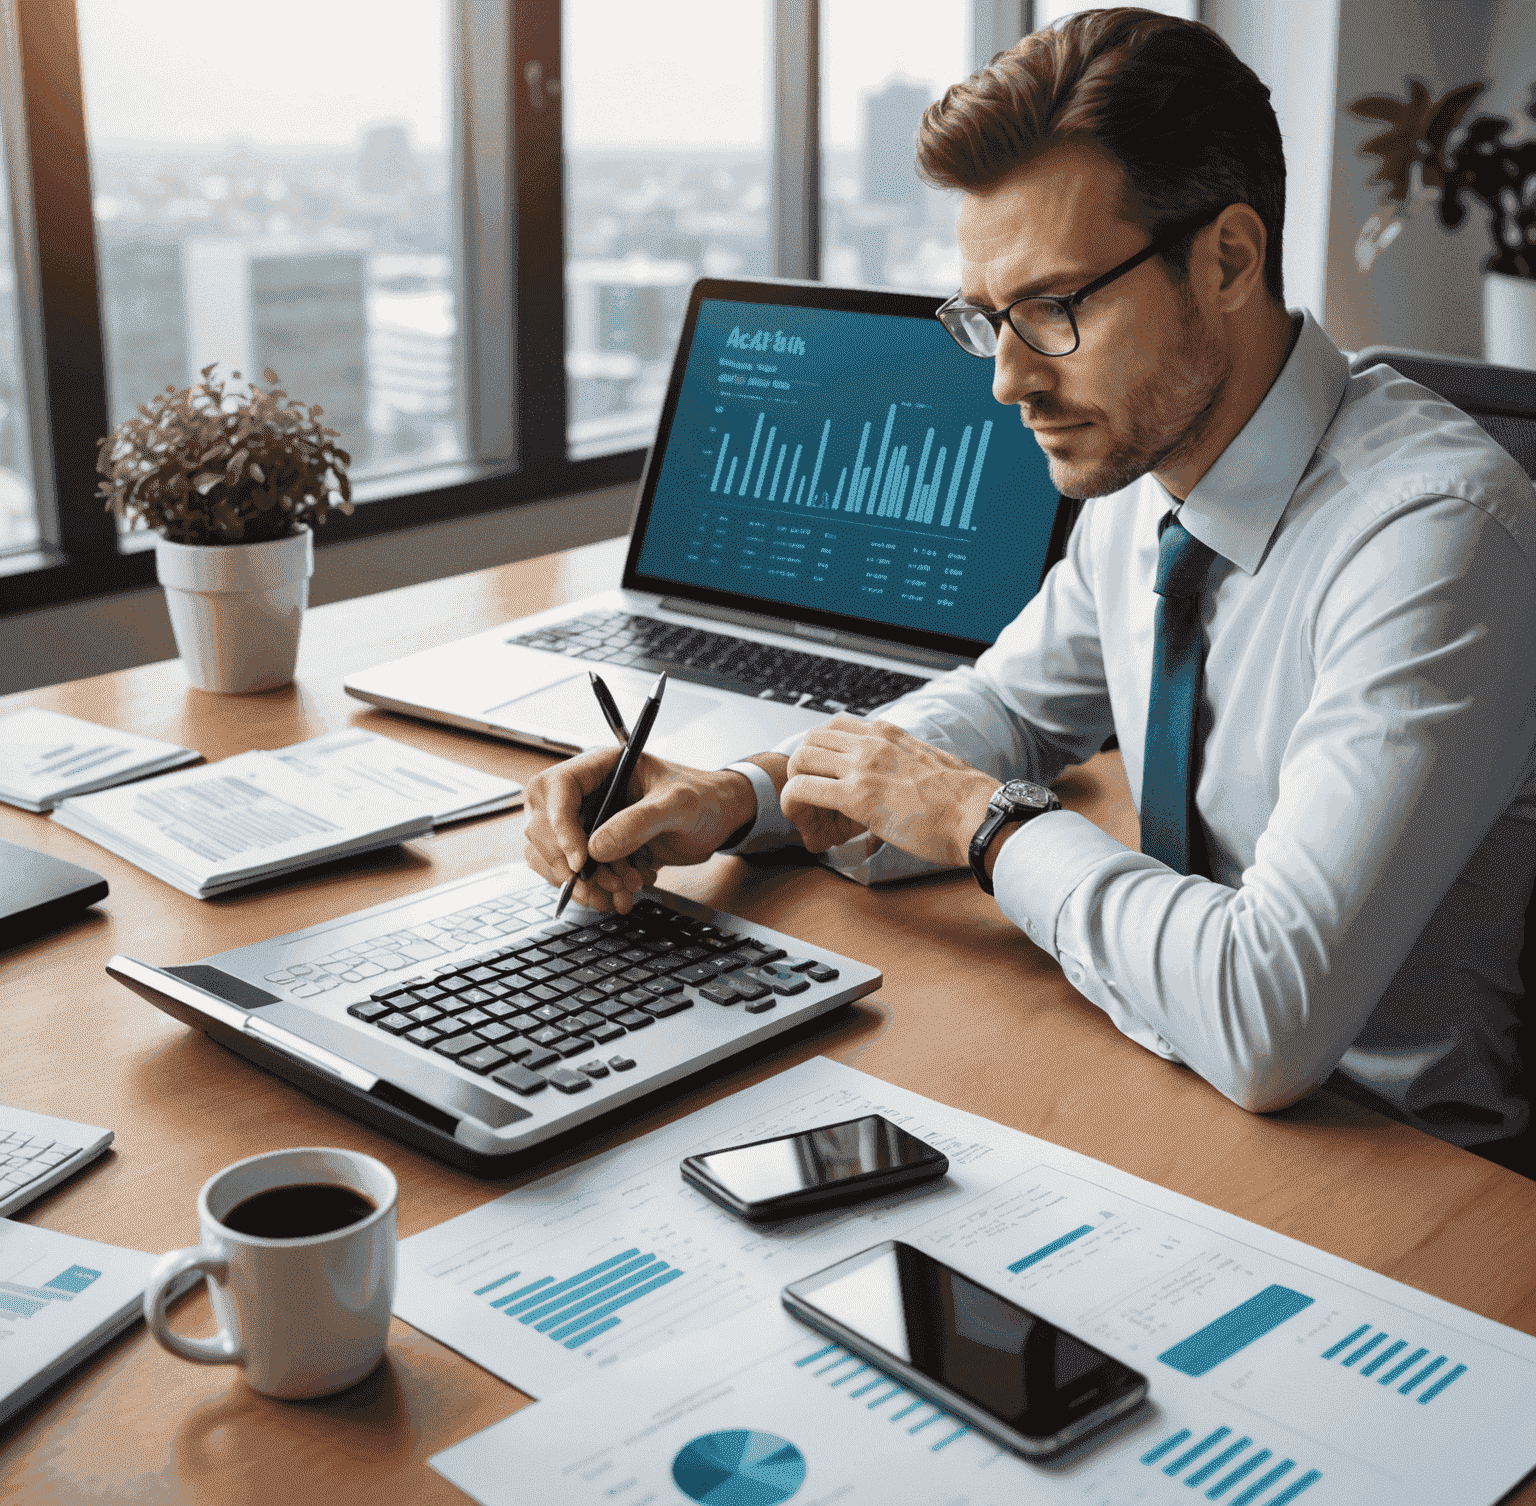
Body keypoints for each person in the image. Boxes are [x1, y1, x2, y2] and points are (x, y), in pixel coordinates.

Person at [523, 8, 1536, 1154]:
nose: (1008, 382)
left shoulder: (1433, 543)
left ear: (1229, 259)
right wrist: (738, 796)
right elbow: (1004, 712)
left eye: (1054, 310)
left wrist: (980, 822)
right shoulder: (1147, 474)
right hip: (1158, 1079)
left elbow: (1269, 1015)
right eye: (988, 319)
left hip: (1393, 1171)